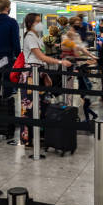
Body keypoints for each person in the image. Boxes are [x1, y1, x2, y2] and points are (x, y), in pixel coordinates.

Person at [20, 13, 71, 146]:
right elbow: (40, 56)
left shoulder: (39, 37)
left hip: (40, 73)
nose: (40, 24)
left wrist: (46, 75)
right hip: (31, 75)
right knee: (29, 107)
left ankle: (40, 134)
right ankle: (27, 138)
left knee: (42, 105)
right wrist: (60, 62)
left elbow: (42, 59)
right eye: (37, 21)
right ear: (31, 23)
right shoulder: (30, 37)